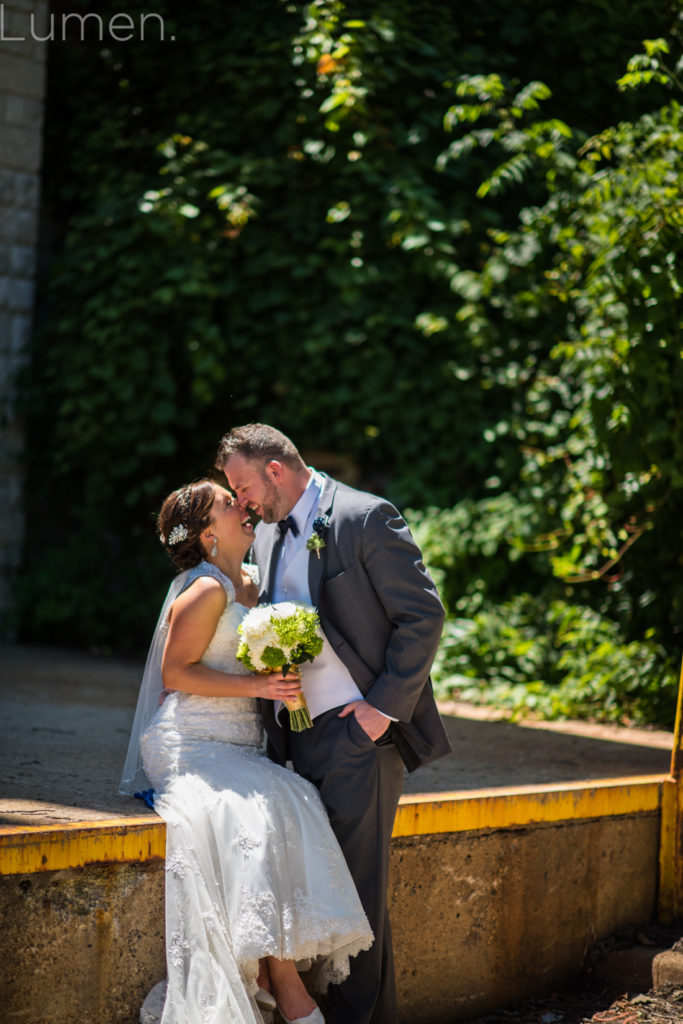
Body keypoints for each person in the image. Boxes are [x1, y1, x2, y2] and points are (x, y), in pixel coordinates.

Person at [216, 424, 451, 1024]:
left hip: (359, 739)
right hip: (293, 743)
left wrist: (379, 711)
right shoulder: (267, 534)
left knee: (357, 903)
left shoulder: (365, 517)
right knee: (332, 901)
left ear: (274, 471)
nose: (240, 501)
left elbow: (423, 617)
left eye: (241, 486)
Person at [119, 479, 373, 1024]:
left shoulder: (254, 583)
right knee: (249, 811)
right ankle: (283, 977)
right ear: (209, 533)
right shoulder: (205, 589)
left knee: (296, 797)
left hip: (242, 742)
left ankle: (276, 974)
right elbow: (175, 672)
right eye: (228, 503)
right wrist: (259, 688)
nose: (243, 507)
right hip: (192, 740)